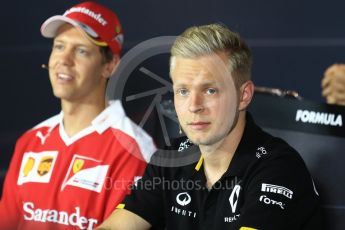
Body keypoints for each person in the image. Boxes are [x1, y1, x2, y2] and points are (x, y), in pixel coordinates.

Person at [96, 24, 323, 230]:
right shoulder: (171, 158)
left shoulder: (279, 168)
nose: (194, 106)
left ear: (243, 96)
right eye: (183, 91)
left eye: (210, 90)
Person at [0, 1, 156, 229]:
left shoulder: (133, 149)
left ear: (110, 66)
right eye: (59, 46)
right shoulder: (30, 141)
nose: (63, 60)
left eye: (81, 51)